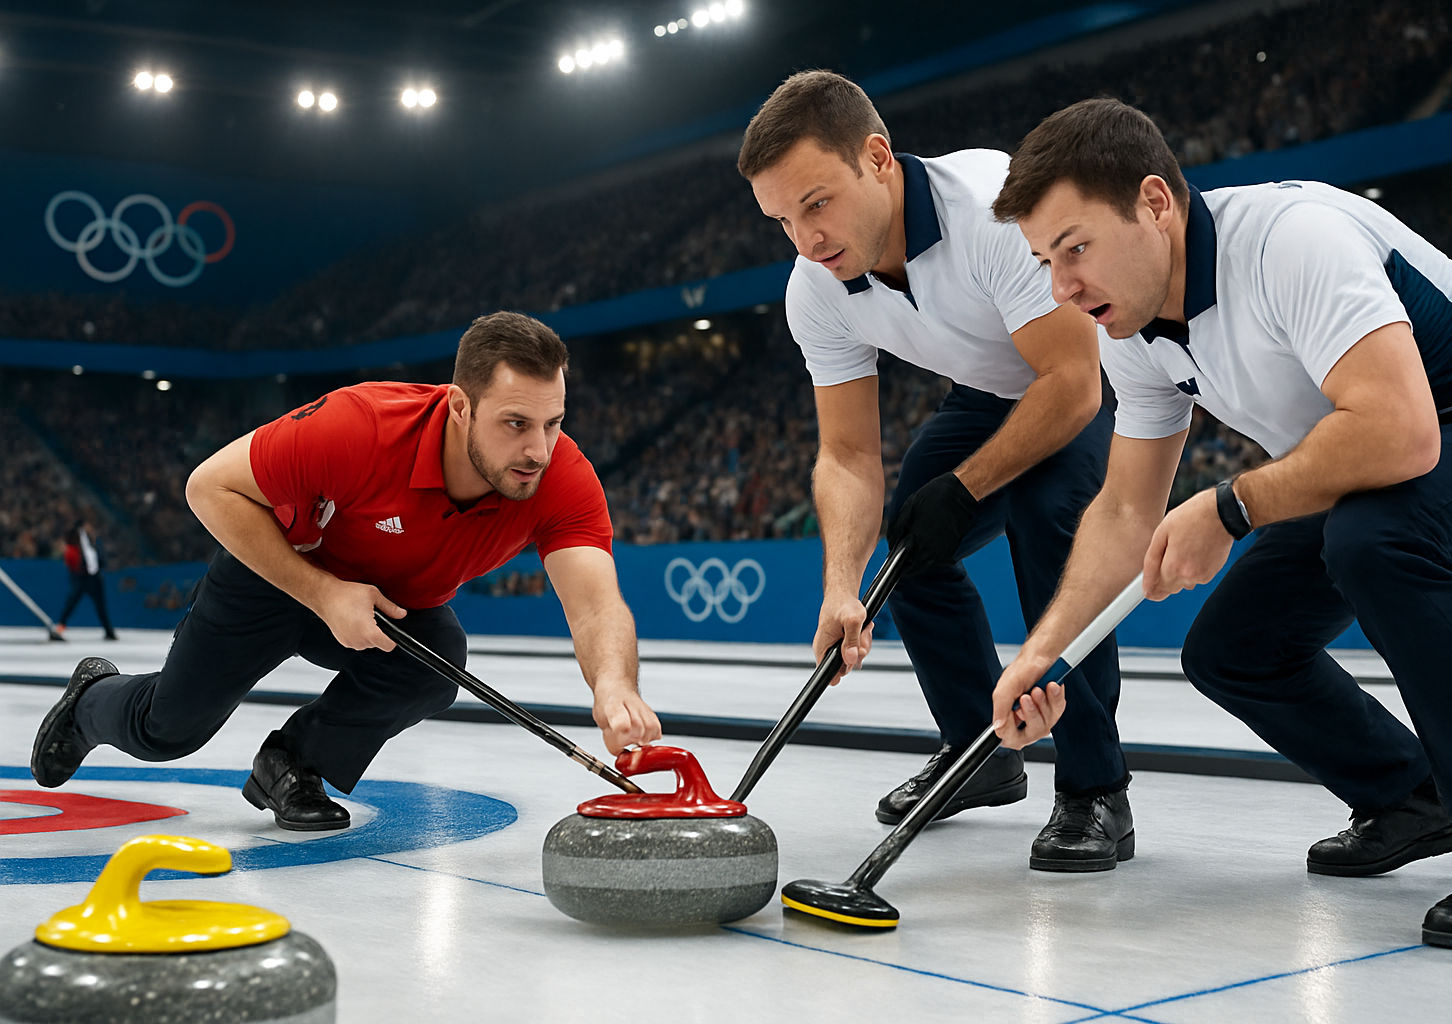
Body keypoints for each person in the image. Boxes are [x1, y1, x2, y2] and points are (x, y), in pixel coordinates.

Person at [989, 98, 1452, 949]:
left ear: (1156, 205)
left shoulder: (1291, 240)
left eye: (1076, 249)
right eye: (1045, 263)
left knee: (1377, 539)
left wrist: (1231, 506)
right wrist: (1040, 653)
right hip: (1367, 468)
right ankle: (1412, 795)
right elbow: (1128, 507)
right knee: (1231, 648)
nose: (1062, 287)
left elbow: (1400, 430)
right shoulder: (1130, 329)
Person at [33, 311, 663, 830]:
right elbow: (208, 488)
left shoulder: (560, 476)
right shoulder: (359, 426)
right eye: (516, 424)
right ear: (460, 406)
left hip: (386, 605)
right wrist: (324, 592)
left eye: (553, 423)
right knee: (166, 730)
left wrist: (614, 686)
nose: (538, 449)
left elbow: (595, 605)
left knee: (438, 656)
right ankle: (90, 700)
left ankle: (291, 762)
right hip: (276, 573)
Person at [739, 71, 1134, 872]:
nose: (807, 240)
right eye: (782, 220)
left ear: (877, 158)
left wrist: (966, 486)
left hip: (1106, 376)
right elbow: (848, 453)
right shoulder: (814, 287)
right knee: (912, 541)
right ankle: (978, 752)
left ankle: (1096, 791)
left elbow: (1074, 383)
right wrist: (842, 588)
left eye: (817, 203)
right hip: (995, 393)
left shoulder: (993, 210)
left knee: (1049, 524)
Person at [58, 518, 116, 641]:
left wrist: (100, 566)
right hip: (81, 576)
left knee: (100, 606)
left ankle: (109, 631)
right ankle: (60, 628)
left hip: (94, 577)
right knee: (71, 603)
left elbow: (97, 554)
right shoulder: (75, 536)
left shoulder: (92, 539)